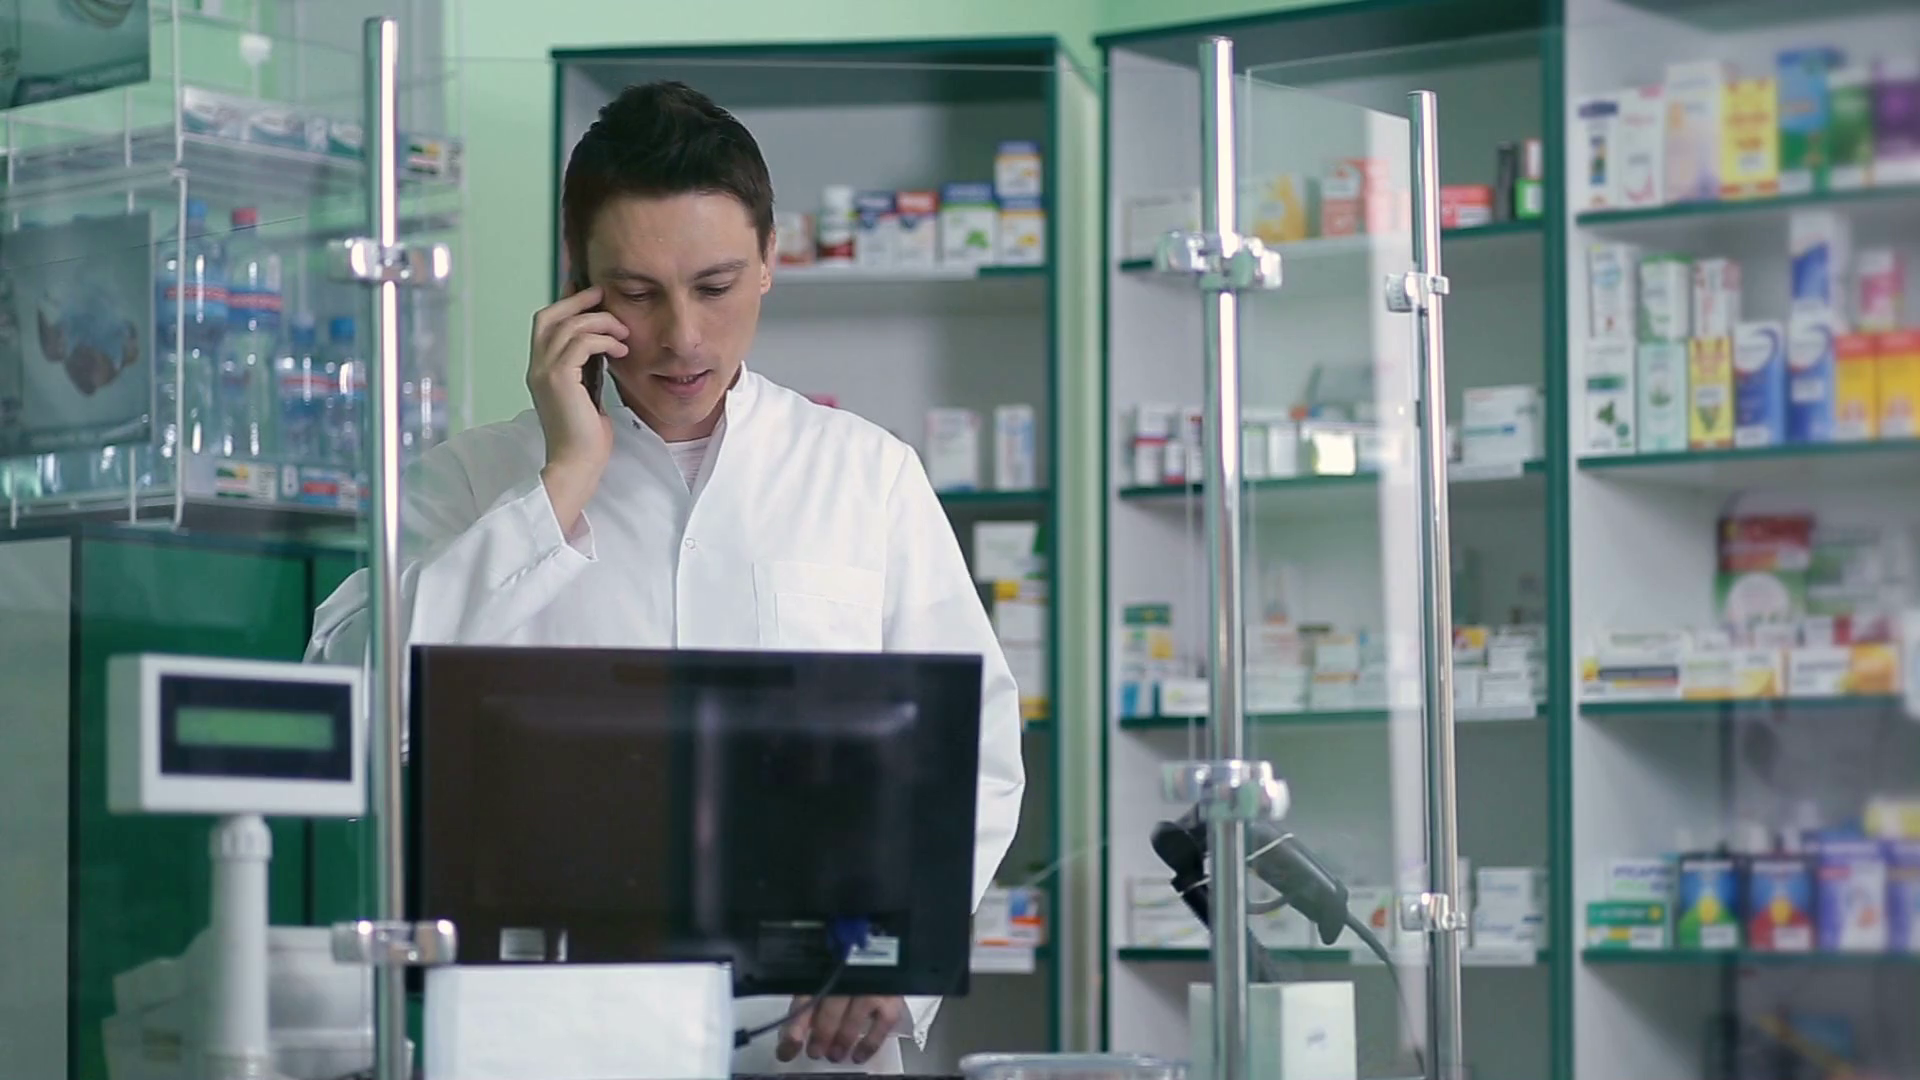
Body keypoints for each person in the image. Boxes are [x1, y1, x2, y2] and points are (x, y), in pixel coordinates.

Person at [306, 80, 1025, 1074]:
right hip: (548, 1040)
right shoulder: (475, 481)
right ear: (578, 286)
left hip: (806, 1042)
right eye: (639, 294)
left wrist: (896, 961)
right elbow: (346, 708)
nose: (684, 336)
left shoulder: (866, 476)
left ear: (770, 260)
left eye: (715, 286)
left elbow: (975, 746)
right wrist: (559, 485)